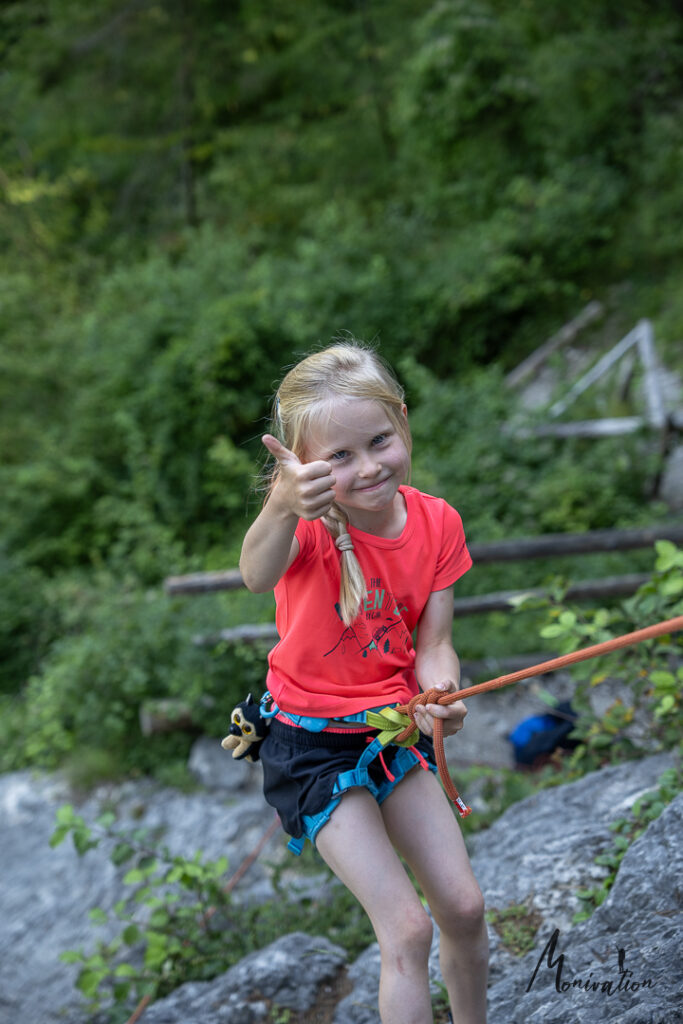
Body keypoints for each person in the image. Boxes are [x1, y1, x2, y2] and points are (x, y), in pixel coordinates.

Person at [239, 340, 488, 1024]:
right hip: (310, 748)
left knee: (463, 909)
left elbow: (433, 644)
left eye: (378, 441)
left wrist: (441, 696)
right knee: (405, 929)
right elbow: (256, 574)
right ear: (305, 465)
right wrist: (281, 505)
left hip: (390, 733)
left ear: (402, 421)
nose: (367, 467)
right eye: (338, 457)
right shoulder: (309, 525)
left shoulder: (437, 522)